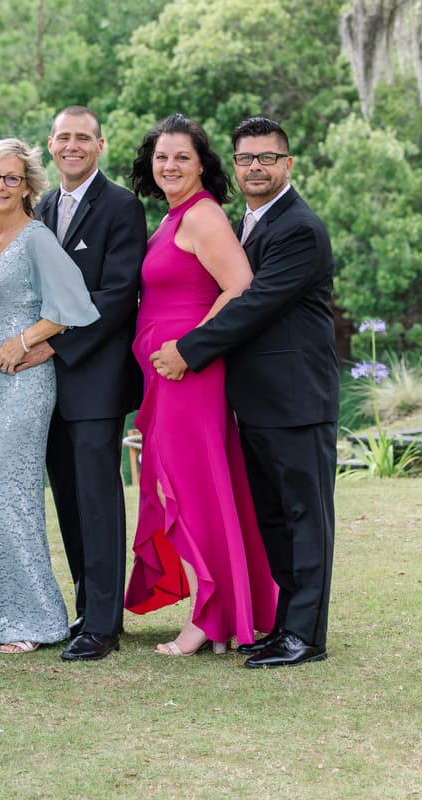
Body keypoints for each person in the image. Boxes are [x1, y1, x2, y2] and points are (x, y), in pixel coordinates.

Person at [150, 116, 337, 668]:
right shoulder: (247, 223)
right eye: (247, 159)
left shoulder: (299, 228)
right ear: (233, 165)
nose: (256, 168)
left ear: (288, 164)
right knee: (274, 519)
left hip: (296, 398)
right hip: (254, 400)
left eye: (267, 158)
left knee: (306, 517)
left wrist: (190, 348)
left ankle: (306, 637)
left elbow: (255, 302)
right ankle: (283, 626)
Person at [123, 114, 277, 656]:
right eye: (162, 156)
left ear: (201, 164)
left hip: (188, 371)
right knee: (194, 485)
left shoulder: (204, 215)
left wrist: (189, 350)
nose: (169, 165)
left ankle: (211, 617)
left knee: (193, 490)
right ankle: (233, 607)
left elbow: (241, 287)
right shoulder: (171, 218)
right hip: (163, 371)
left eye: (182, 157)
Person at [0, 138, 101, 654]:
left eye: (12, 178)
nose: (1, 186)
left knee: (10, 494)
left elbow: (73, 306)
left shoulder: (37, 237)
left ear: (27, 187)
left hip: (23, 382)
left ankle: (34, 619)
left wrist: (24, 341)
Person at [24, 106, 147, 662]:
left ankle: (104, 622)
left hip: (95, 377)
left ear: (101, 144)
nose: (72, 146)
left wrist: (53, 343)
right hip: (46, 384)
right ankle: (84, 605)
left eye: (83, 138)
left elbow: (117, 295)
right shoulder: (43, 206)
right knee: (69, 501)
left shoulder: (122, 206)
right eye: (63, 138)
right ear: (50, 144)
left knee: (98, 500)